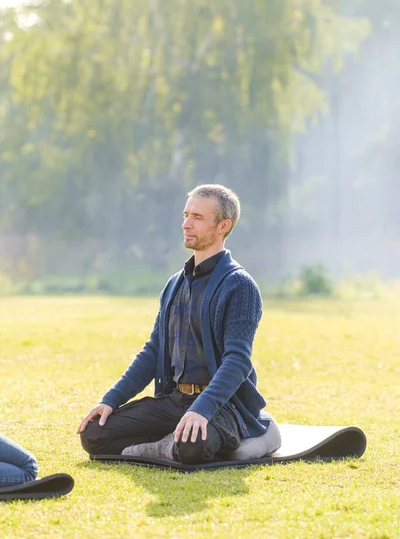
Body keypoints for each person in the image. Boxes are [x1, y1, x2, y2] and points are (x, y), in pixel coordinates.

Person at [77, 184, 281, 464]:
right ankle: (169, 443)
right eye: (186, 215)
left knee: (191, 448)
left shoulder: (239, 285)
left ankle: (252, 431)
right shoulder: (174, 284)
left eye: (197, 217)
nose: (186, 224)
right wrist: (110, 400)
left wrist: (203, 408)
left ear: (223, 225)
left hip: (223, 405)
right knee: (93, 434)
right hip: (174, 401)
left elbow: (237, 362)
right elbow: (152, 351)